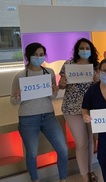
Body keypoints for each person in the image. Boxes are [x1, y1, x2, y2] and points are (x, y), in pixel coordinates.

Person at [10, 42, 68, 182]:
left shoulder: (49, 73)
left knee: (63, 150)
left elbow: (51, 96)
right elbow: (13, 101)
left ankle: (63, 179)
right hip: (27, 119)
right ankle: (35, 180)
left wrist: (55, 91)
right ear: (28, 56)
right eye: (35, 54)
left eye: (41, 55)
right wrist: (17, 97)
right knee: (32, 153)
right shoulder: (20, 76)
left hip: (48, 116)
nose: (38, 57)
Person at [58, 38, 99, 182]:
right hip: (72, 109)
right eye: (82, 48)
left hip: (91, 109)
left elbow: (102, 87)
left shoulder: (96, 66)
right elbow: (61, 86)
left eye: (87, 48)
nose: (85, 51)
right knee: (81, 143)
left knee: (91, 141)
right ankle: (84, 176)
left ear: (91, 50)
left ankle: (91, 170)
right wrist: (61, 83)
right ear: (77, 49)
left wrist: (97, 80)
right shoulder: (68, 64)